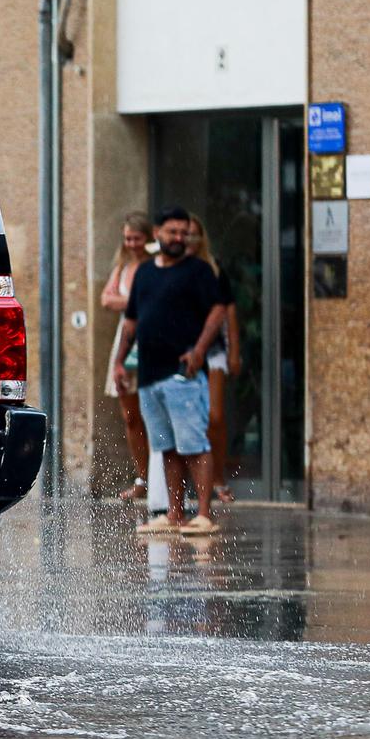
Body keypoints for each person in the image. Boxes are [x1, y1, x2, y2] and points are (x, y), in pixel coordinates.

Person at [111, 207, 225, 535]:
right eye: (172, 231)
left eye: (183, 232)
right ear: (157, 233)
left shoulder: (198, 271)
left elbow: (218, 310)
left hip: (183, 374)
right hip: (148, 374)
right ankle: (174, 514)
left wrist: (200, 350)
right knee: (166, 446)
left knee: (193, 442)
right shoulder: (145, 273)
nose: (178, 238)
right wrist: (119, 361)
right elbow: (131, 321)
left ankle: (203, 514)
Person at [186, 215, 243, 504]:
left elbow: (228, 311)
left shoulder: (214, 269)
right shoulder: (173, 269)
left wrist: (234, 350)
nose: (190, 239)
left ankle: (218, 476)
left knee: (214, 416)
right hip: (182, 350)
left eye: (195, 234)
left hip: (214, 350)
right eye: (186, 234)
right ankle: (194, 483)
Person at [99, 212, 153, 502]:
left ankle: (164, 480)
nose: (132, 243)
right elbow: (105, 298)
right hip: (126, 340)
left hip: (151, 339)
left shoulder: (154, 266)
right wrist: (133, 303)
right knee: (130, 415)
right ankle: (142, 477)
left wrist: (128, 304)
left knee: (154, 413)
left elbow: (149, 302)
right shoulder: (123, 266)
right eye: (128, 238)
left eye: (137, 238)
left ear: (148, 238)